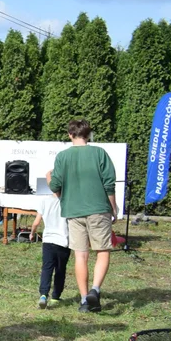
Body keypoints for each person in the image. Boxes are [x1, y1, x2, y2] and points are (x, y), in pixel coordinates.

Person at [49, 119, 118, 313]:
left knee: (81, 255)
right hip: (98, 208)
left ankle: (83, 300)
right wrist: (113, 207)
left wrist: (50, 180)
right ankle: (95, 290)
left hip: (73, 210)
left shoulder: (63, 156)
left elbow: (55, 185)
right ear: (89, 134)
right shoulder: (99, 153)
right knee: (102, 250)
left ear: (70, 134)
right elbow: (109, 184)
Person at [30, 170, 69, 309]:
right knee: (60, 270)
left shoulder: (45, 201)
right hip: (64, 241)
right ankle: (56, 296)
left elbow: (36, 222)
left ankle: (43, 294)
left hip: (48, 241)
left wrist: (32, 233)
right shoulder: (68, 202)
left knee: (47, 268)